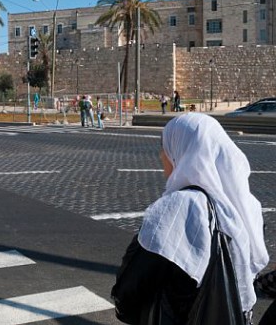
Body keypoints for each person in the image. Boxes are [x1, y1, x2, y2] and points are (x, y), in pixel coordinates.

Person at [112, 113, 269, 324]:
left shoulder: (179, 207)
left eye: (166, 147)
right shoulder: (248, 206)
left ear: (183, 151)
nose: (162, 156)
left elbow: (131, 285)